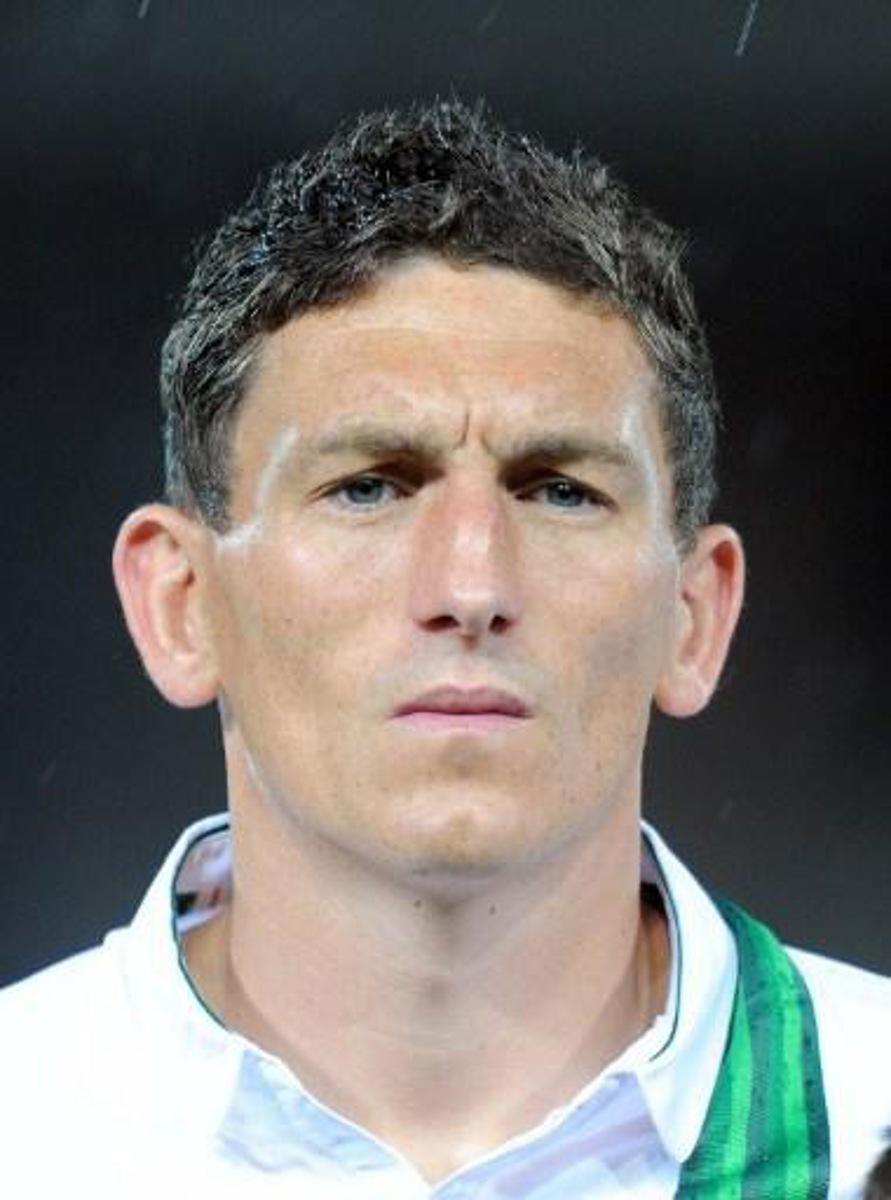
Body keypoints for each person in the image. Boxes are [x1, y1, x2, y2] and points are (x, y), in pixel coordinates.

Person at [1, 99, 888, 1198]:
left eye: (560, 491)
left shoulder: (867, 1119)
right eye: (367, 487)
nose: (471, 586)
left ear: (696, 616)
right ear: (182, 603)